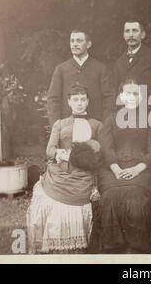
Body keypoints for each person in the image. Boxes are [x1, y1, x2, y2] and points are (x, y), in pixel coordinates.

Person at [27, 84, 104, 254]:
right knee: (48, 196)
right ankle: (55, 247)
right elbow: (49, 150)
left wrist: (87, 154)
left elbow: (100, 153)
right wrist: (59, 153)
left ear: (88, 101)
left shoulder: (97, 125)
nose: (79, 103)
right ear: (69, 102)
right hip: (61, 171)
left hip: (83, 173)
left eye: (83, 99)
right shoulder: (60, 124)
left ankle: (76, 248)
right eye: (75, 99)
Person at [90, 78, 151, 253]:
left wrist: (138, 169)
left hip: (141, 168)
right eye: (128, 94)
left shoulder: (150, 120)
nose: (132, 97)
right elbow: (106, 148)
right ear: (121, 96)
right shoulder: (111, 120)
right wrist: (116, 169)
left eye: (136, 94)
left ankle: (136, 246)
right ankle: (113, 246)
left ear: (141, 97)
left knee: (135, 195)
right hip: (112, 168)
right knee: (111, 195)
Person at [46, 28, 114, 126]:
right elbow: (53, 99)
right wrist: (57, 126)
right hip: (67, 128)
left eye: (79, 41)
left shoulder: (101, 68)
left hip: (94, 127)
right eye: (72, 41)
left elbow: (109, 98)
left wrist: (104, 126)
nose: (74, 44)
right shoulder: (61, 69)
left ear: (88, 44)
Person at [112, 19, 151, 99]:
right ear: (123, 35)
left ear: (143, 35)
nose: (131, 35)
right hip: (124, 109)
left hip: (147, 108)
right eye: (127, 31)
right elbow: (116, 91)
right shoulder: (119, 62)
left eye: (135, 31)